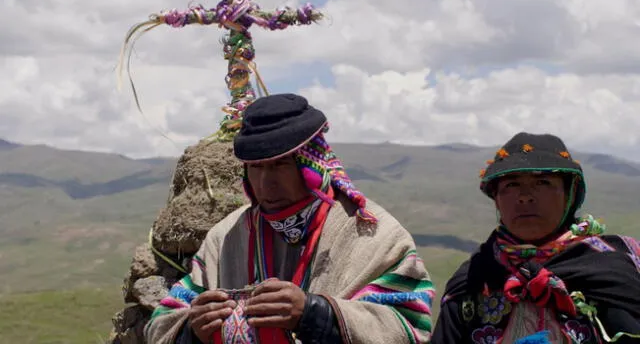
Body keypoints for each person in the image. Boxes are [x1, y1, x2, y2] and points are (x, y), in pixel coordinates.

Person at [144, 93, 435, 344]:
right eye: (256, 167)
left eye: (281, 164)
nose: (266, 183)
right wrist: (193, 330)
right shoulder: (226, 238)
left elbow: (410, 325)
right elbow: (162, 322)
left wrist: (314, 314)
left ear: (311, 163)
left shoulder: (372, 232)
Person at [432, 132, 640, 343]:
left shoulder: (615, 267)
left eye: (542, 182)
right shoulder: (472, 278)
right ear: (496, 199)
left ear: (570, 193)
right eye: (511, 185)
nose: (525, 196)